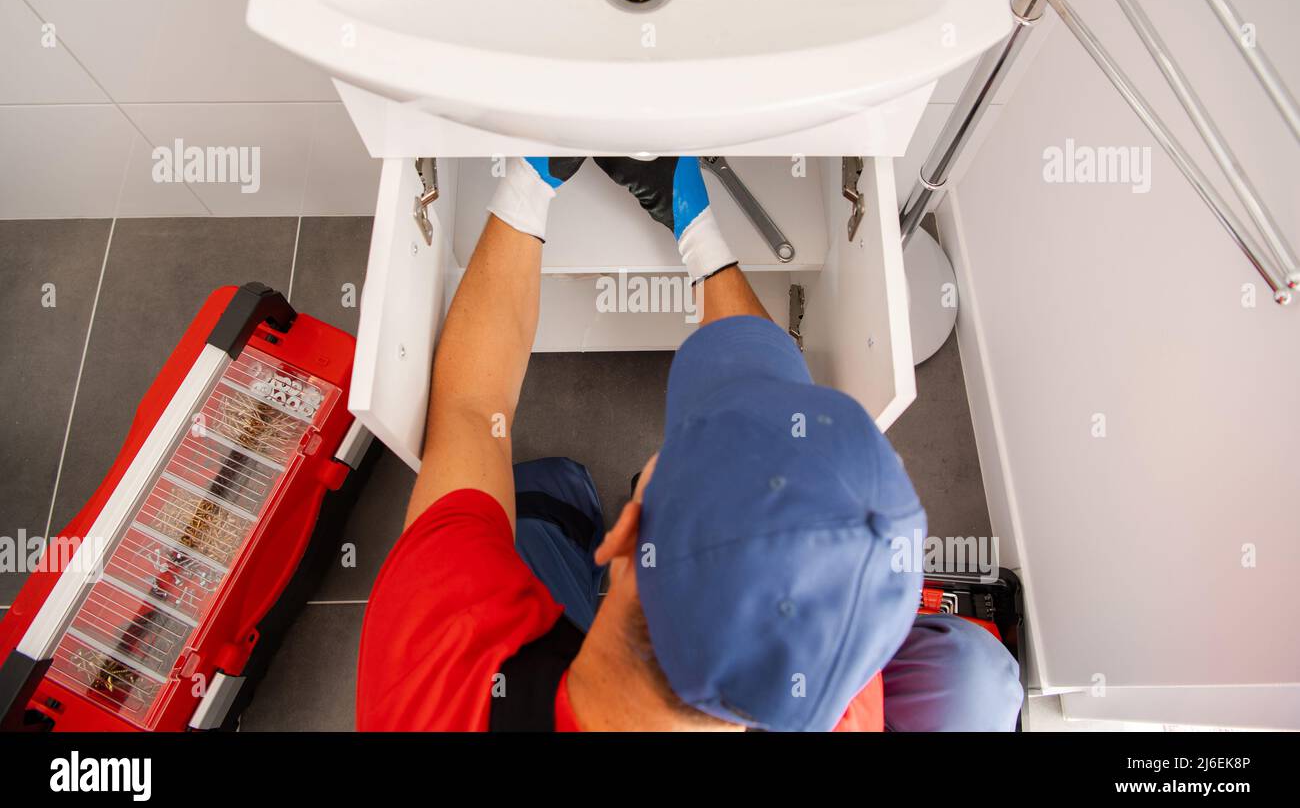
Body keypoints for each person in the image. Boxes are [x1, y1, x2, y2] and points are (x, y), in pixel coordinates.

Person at [356, 156, 1023, 731]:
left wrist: (531, 180)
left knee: (526, 511)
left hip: (536, 640)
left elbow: (472, 412)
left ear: (622, 535)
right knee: (976, 682)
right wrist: (697, 227)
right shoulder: (843, 705)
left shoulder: (435, 672)